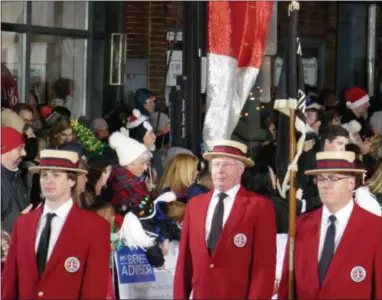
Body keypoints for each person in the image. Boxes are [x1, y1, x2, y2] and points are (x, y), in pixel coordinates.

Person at [174, 140, 276, 299]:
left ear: (241, 169)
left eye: (226, 165)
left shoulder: (259, 207)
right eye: (216, 165)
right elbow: (184, 263)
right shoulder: (195, 205)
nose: (220, 170)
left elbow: (263, 268)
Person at [2, 149, 111, 299]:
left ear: (71, 180)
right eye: (44, 175)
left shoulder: (95, 227)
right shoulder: (22, 224)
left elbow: (94, 290)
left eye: (56, 175)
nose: (48, 181)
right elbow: (10, 283)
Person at [278, 151, 382, 299]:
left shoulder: (375, 228)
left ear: (351, 183)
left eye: (333, 178)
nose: (325, 185)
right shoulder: (301, 225)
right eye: (320, 179)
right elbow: (287, 285)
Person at [1, 126, 32, 233]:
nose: (24, 153)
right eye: (20, 148)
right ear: (4, 150)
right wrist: (19, 219)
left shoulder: (16, 175)